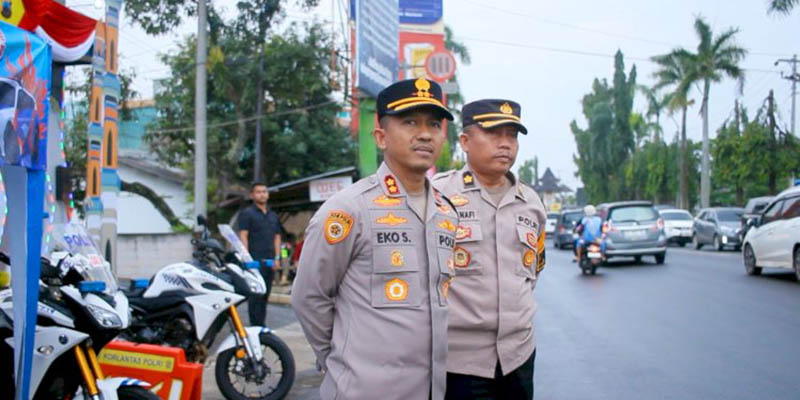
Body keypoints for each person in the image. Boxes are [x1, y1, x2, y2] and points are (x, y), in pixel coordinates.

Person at [291, 78, 457, 400]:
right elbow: (309, 297)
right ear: (381, 136)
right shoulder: (349, 209)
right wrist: (339, 359)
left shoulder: (446, 213)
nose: (424, 133)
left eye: (434, 124)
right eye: (410, 122)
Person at [433, 99, 546, 400]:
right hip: (460, 362)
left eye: (512, 136)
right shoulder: (438, 195)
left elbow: (532, 272)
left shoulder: (531, 202)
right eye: (494, 134)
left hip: (519, 356)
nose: (505, 144)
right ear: (466, 141)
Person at [236, 182, 282, 326]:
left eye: (264, 191)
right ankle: (255, 326)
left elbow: (277, 237)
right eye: (258, 192)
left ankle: (261, 326)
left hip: (270, 261)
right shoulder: (247, 213)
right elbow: (243, 235)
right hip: (254, 262)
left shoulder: (273, 215)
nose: (262, 194)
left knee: (265, 294)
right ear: (252, 195)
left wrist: (277, 258)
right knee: (255, 296)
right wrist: (246, 258)